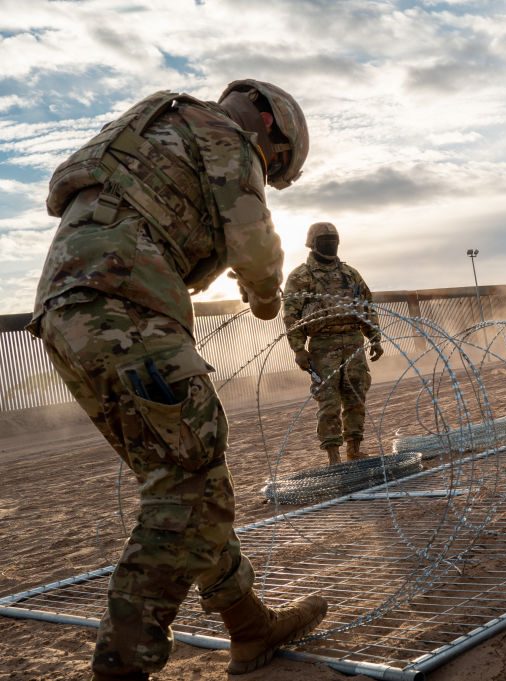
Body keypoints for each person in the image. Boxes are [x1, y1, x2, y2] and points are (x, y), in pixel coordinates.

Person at [28, 80, 328, 680]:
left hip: (66, 314)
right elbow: (255, 247)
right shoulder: (228, 136)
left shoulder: (161, 130)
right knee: (186, 483)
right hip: (125, 305)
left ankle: (249, 626)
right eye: (273, 166)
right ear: (270, 125)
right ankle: (122, 668)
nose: (265, 172)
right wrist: (265, 299)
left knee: (189, 476)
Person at [283, 222, 384, 463]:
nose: (330, 244)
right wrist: (298, 349)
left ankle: (354, 449)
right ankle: (333, 456)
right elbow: (291, 316)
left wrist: (374, 338)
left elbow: (366, 305)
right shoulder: (301, 276)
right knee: (328, 401)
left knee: (355, 396)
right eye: (324, 240)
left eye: (333, 240)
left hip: (353, 342)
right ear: (312, 244)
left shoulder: (350, 274)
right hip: (322, 345)